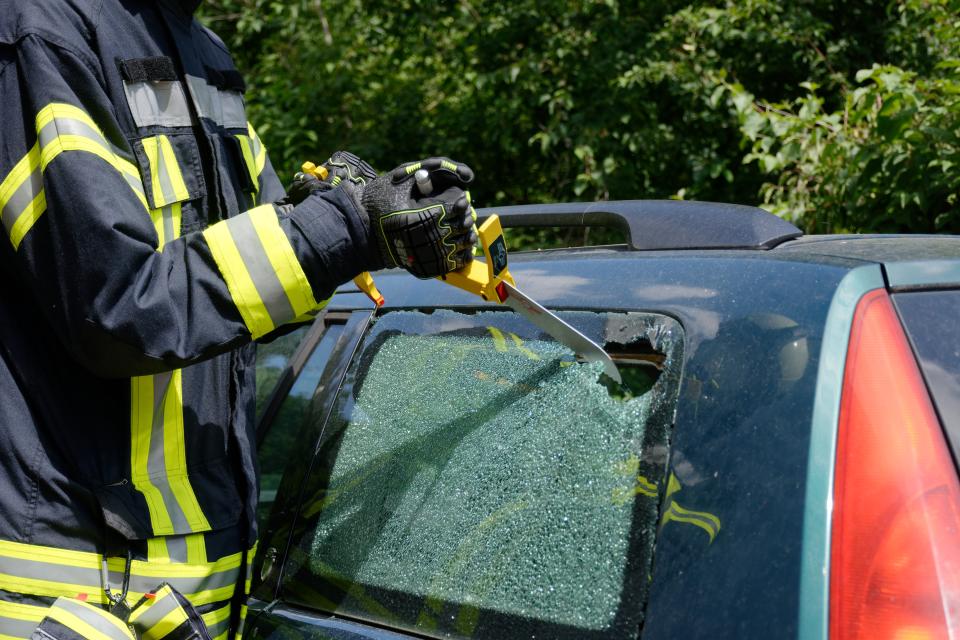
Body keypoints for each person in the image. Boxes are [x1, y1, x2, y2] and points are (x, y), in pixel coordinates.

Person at [0, 1, 477, 638]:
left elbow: (236, 302)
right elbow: (118, 308)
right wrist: (343, 226)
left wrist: (352, 214)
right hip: (71, 592)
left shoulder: (205, 56)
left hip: (196, 598)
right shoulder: (44, 28)